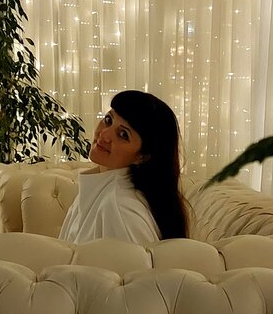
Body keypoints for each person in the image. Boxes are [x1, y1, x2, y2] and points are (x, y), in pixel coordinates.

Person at [58, 90, 190, 244]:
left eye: (123, 134)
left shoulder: (119, 208)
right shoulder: (98, 190)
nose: (104, 135)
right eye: (108, 120)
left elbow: (137, 261)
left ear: (143, 156)